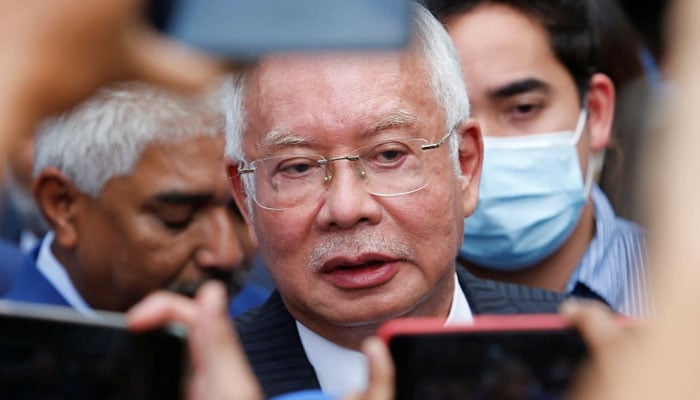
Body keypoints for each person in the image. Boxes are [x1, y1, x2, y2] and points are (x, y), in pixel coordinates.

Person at [222, 4, 566, 398]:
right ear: (246, 199)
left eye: (389, 155)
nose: (347, 209)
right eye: (298, 167)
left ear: (465, 166)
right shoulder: (189, 383)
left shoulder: (605, 360)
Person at [430, 0, 650, 317]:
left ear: (598, 113)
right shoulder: (374, 306)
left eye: (523, 108)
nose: (484, 146)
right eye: (457, 119)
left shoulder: (679, 285)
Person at [3, 82, 249, 314]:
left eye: (240, 208)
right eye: (177, 217)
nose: (228, 253)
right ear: (62, 205)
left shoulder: (271, 327)